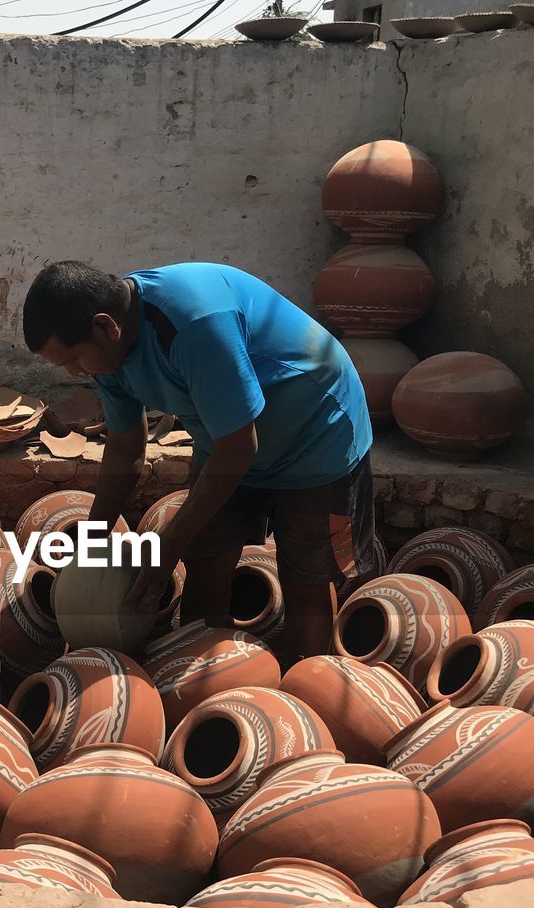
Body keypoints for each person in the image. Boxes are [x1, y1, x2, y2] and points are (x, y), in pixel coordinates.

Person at [21, 259, 375, 667]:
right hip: (225, 440)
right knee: (205, 560)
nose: (72, 372)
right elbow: (124, 446)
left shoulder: (194, 323)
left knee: (306, 580)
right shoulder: (108, 353)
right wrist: (94, 538)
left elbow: (240, 446)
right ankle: (195, 681)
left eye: (72, 360)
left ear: (104, 327)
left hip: (317, 436)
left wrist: (168, 544)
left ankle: (308, 684)